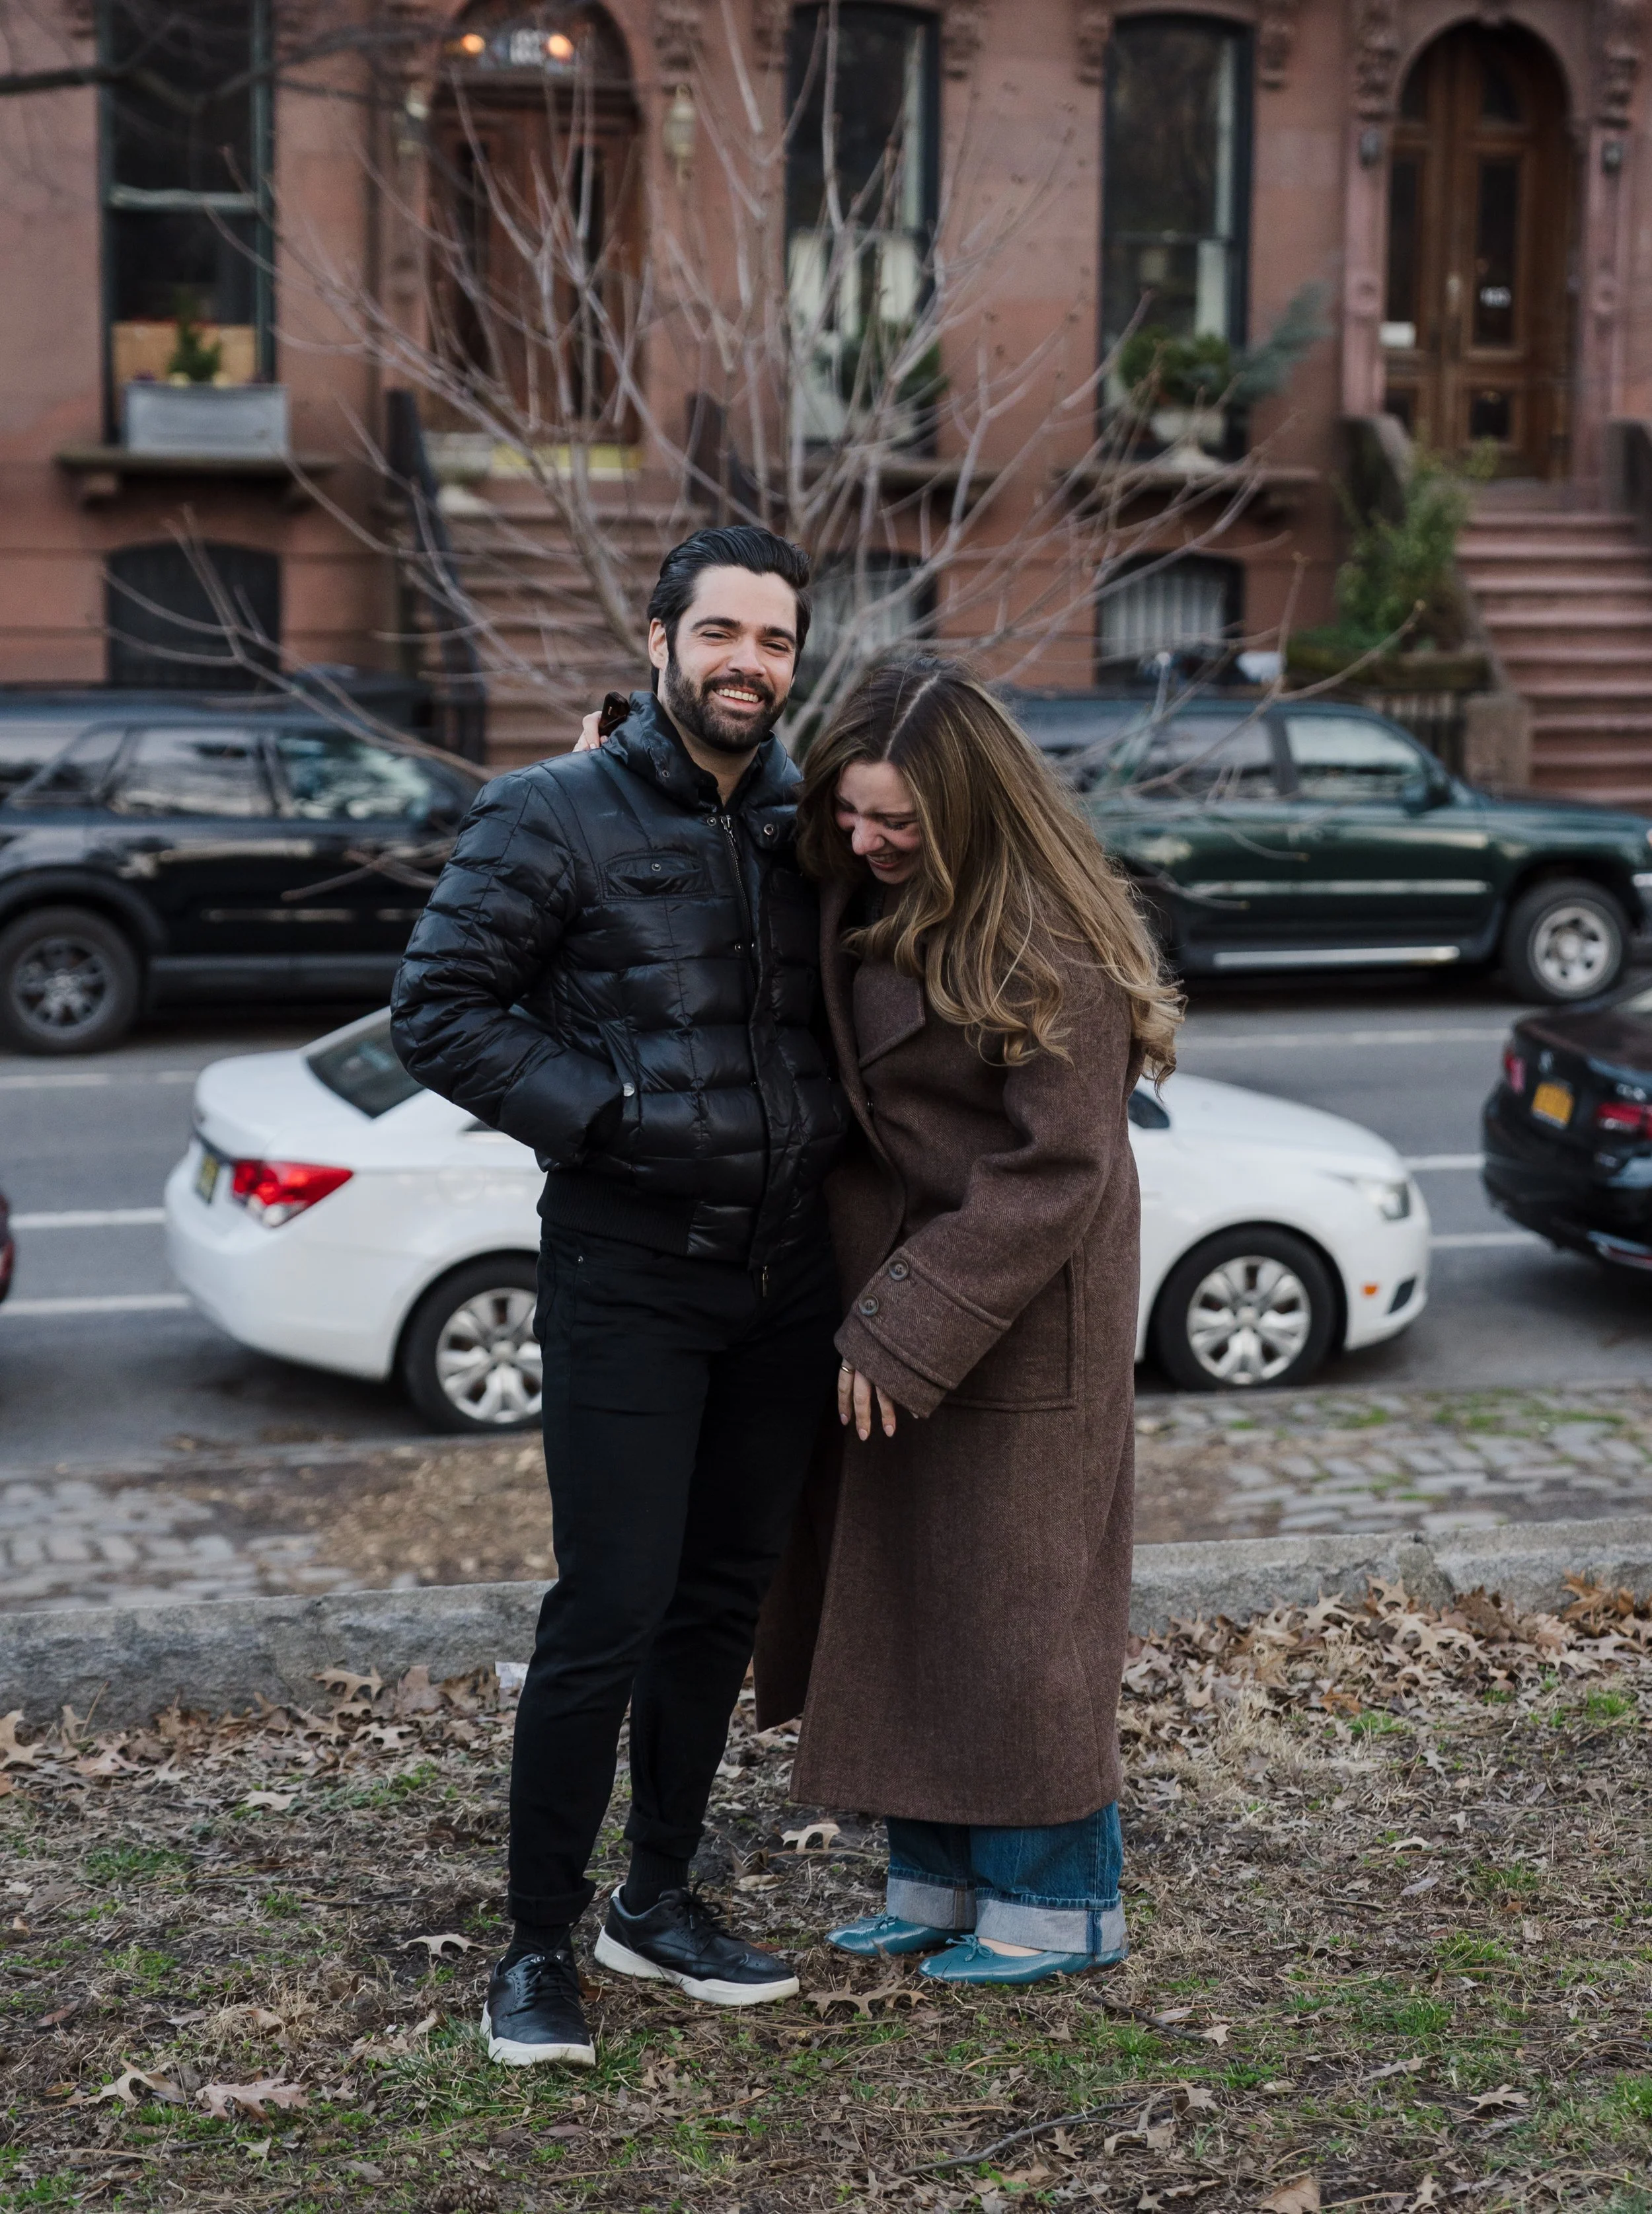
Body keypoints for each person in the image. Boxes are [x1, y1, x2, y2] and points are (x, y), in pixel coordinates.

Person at [391, 525, 846, 2068]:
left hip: (786, 1280)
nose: (747, 664)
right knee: (606, 1612)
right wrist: (614, 1116)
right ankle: (535, 1944)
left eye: (774, 642)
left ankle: (656, 1899)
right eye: (721, 632)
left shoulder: (808, 819)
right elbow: (435, 1009)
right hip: (628, 1273)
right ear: (658, 639)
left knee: (717, 1604)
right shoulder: (549, 813)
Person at [753, 654, 1181, 1982]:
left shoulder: (1048, 932)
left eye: (896, 820)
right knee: (905, 1596)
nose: (864, 840)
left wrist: (907, 1320)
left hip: (1009, 1305)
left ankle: (1060, 1909)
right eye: (849, 812)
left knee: (1014, 1616)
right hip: (892, 1295)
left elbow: (1061, 1167)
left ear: (968, 810)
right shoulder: (859, 879)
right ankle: (934, 1883)